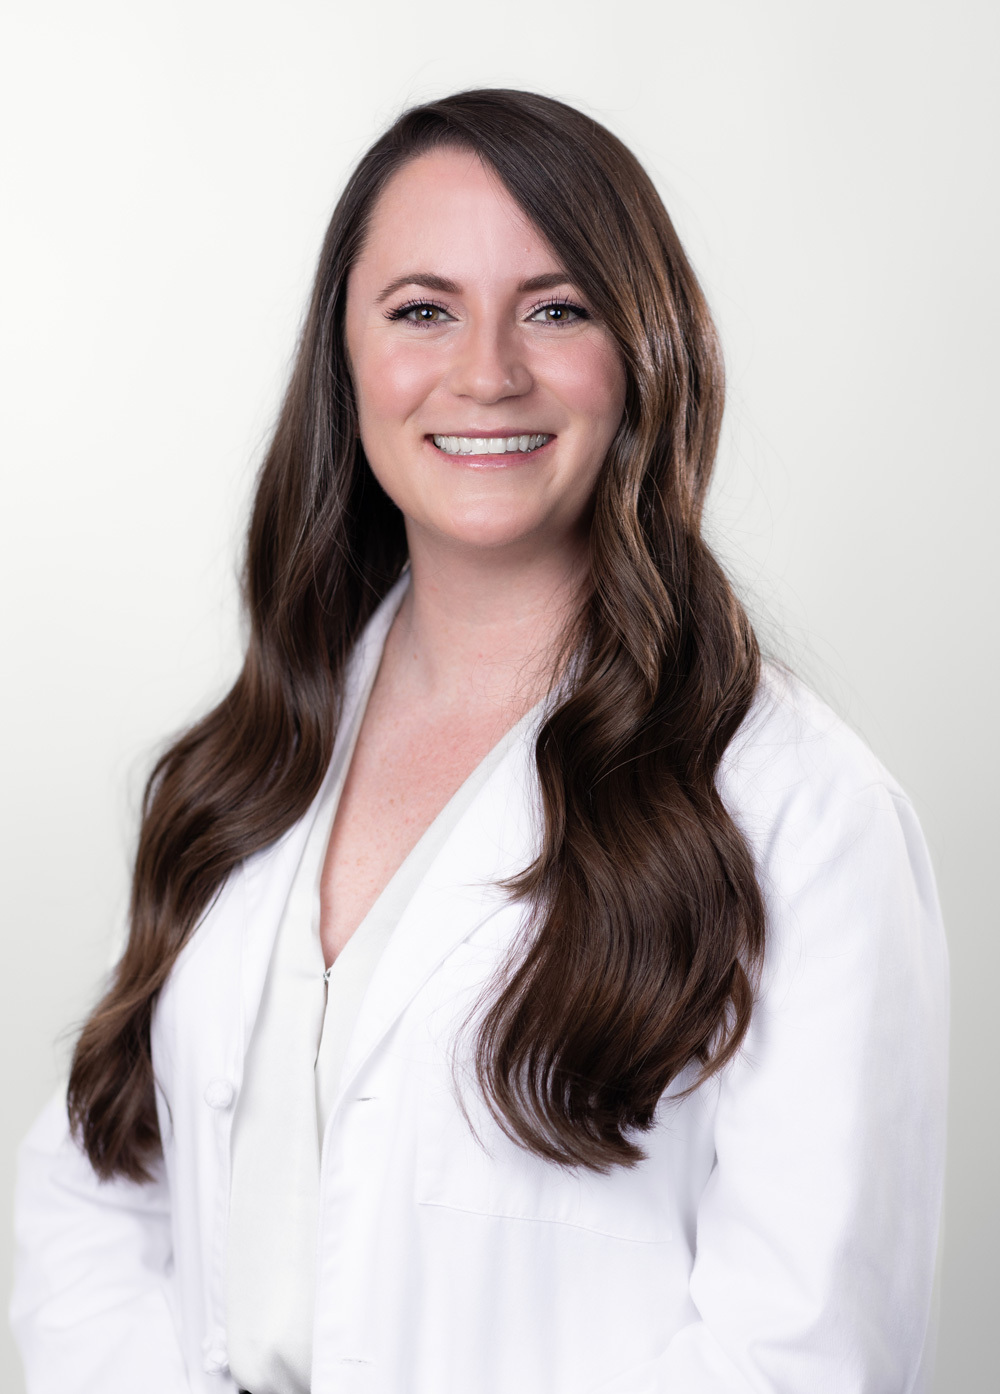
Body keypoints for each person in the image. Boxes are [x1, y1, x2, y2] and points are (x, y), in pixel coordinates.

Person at [10, 89, 948, 1394]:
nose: (488, 371)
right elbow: (100, 1188)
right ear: (345, 358)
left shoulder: (801, 809)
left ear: (646, 352)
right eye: (422, 309)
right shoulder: (250, 756)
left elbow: (802, 1351)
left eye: (556, 309)